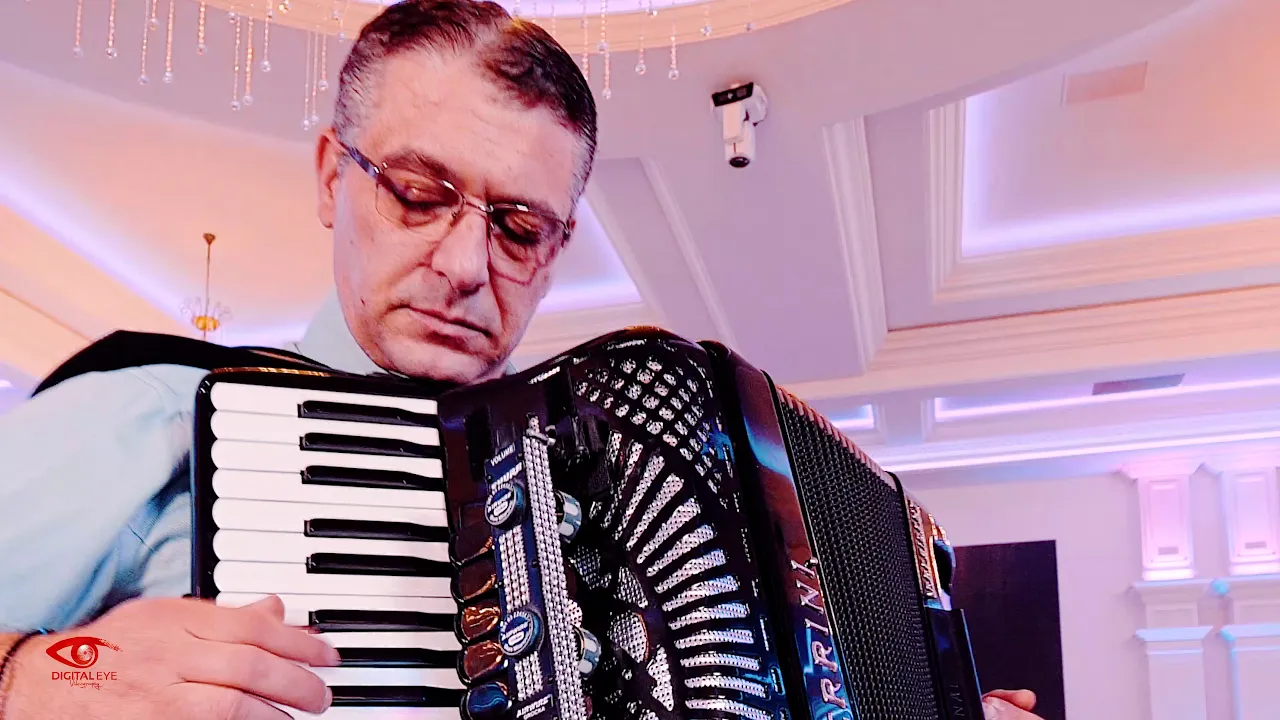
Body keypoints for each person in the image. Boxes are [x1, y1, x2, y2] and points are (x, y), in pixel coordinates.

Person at [0, 2, 1045, 719]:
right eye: (418, 195)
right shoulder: (147, 412)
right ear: (330, 178)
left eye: (517, 227)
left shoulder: (602, 474)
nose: (465, 266)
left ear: (558, 246)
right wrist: (31, 677)